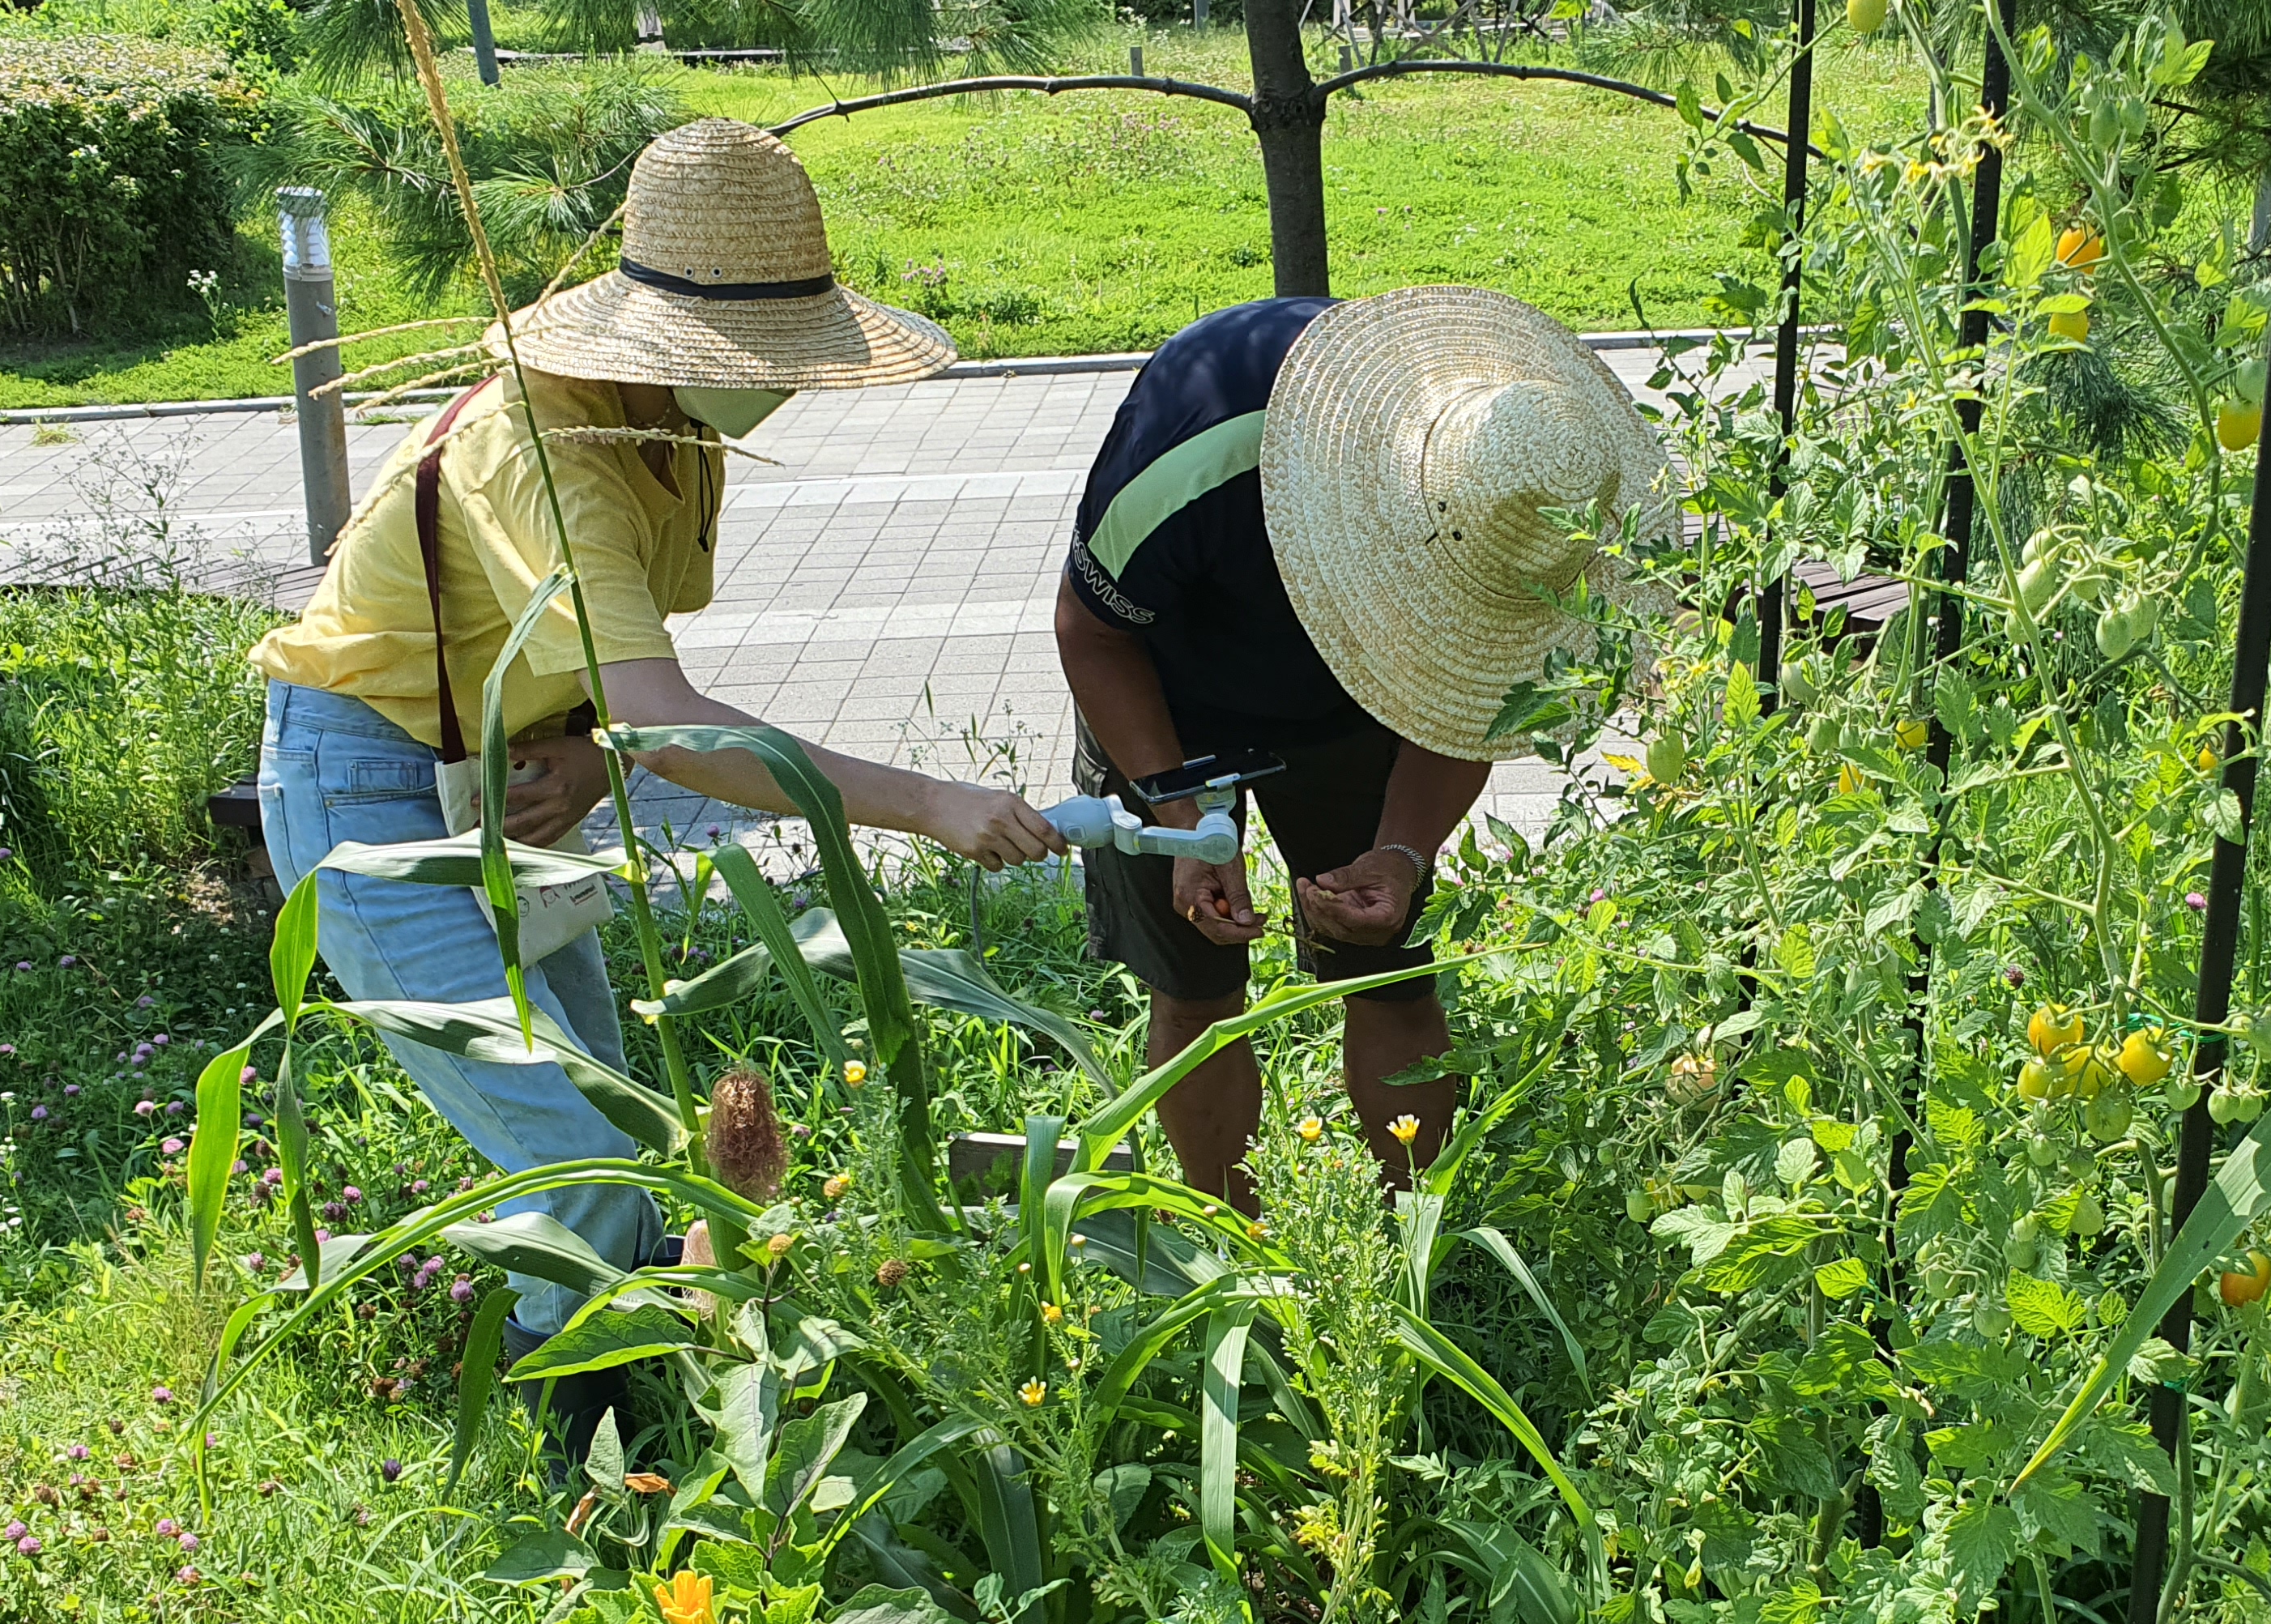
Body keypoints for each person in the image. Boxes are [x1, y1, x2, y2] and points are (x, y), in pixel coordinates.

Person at [254, 120, 1062, 1436]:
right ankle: (581, 1464)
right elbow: (672, 729)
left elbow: (608, 688)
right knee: (579, 1157)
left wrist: (587, 753)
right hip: (374, 790)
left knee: (619, 1123)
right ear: (668, 342)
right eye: (753, 358)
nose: (772, 386)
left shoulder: (664, 426)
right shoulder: (551, 450)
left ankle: (650, 1411)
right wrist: (927, 803)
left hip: (506, 773)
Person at [1055, 285, 1669, 1205]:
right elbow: (1092, 633)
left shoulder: (1550, 498)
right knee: (1196, 990)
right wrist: (1180, 816)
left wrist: (1404, 853)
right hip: (1163, 696)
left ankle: (1413, 1237)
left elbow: (1476, 703)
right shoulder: (1197, 456)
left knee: (1390, 976)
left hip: (1360, 707)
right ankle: (1229, 1241)